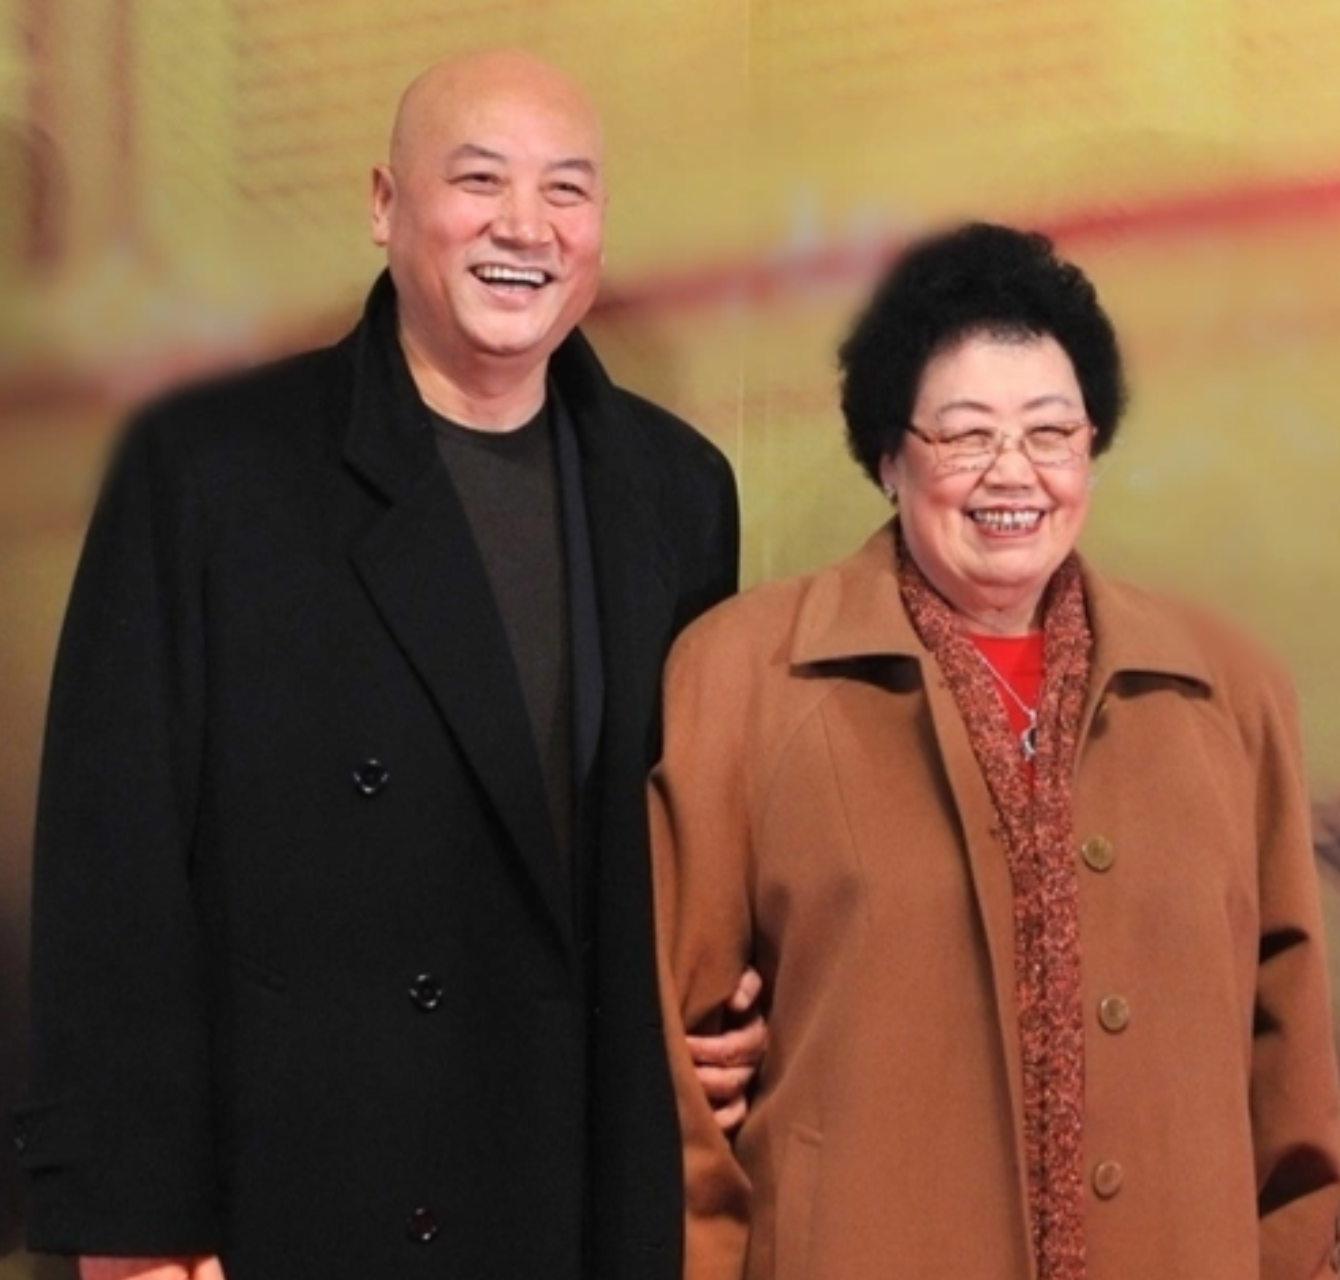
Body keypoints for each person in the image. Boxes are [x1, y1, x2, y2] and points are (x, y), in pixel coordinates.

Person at [17, 49, 761, 1280]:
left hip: (586, 1183)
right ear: (383, 203)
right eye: (479, 180)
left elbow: (696, 828)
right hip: (317, 1182)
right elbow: (115, 862)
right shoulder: (213, 470)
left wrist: (726, 1006)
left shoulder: (676, 489)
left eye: (566, 189)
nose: (524, 225)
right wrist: (133, 1225)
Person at [652, 222, 1340, 1279]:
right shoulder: (743, 674)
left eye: (1050, 432)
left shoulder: (1227, 691)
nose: (1011, 472)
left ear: (1091, 446)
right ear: (889, 456)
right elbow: (679, 1074)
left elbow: (1287, 1058)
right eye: (965, 435)